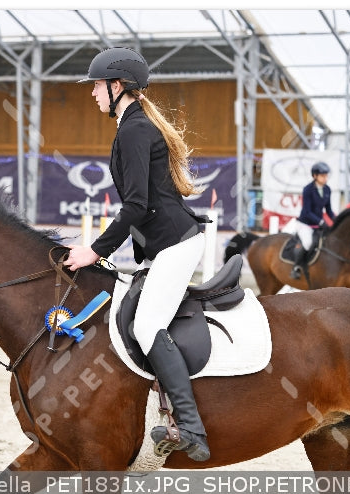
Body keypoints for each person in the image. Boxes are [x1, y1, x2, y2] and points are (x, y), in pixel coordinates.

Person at [63, 47, 211, 461]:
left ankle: (193, 430)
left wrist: (95, 250)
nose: (92, 94)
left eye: (96, 85)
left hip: (176, 244)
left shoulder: (133, 130)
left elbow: (136, 206)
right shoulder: (134, 125)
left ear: (117, 86)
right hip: (160, 245)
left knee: (147, 326)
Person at [281, 161, 336, 279]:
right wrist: (321, 222)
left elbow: (329, 210)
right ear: (315, 176)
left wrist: (336, 220)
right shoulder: (308, 189)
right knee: (308, 243)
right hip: (305, 224)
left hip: (319, 225)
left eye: (326, 175)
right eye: (322, 176)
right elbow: (307, 211)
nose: (325, 178)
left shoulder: (327, 190)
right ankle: (296, 267)